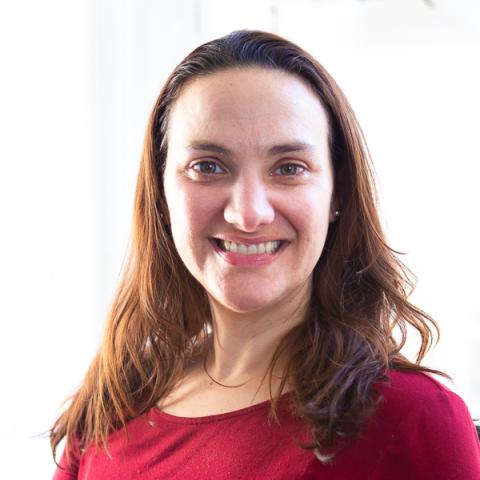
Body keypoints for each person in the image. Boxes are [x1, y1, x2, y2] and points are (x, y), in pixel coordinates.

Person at [50, 30, 480, 479]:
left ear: (338, 193)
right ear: (161, 194)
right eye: (208, 167)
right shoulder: (112, 406)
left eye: (289, 168)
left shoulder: (409, 419)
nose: (248, 213)